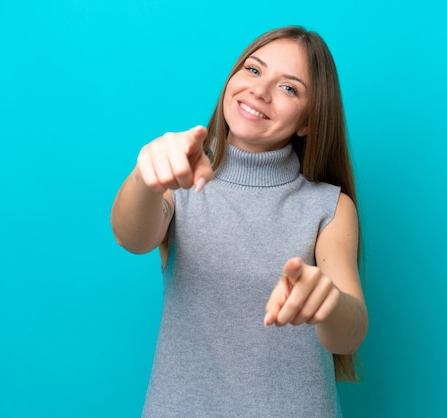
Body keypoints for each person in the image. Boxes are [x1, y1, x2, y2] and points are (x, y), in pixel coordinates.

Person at [110, 25, 368, 417]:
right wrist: (144, 178)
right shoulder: (179, 175)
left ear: (308, 123)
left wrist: (327, 304)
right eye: (252, 70)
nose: (260, 91)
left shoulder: (329, 207)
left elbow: (348, 335)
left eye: (289, 88)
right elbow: (132, 236)